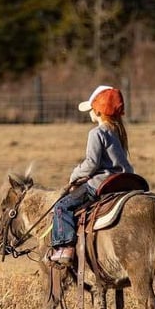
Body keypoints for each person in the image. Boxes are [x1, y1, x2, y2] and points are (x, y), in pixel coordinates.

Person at [50, 85, 134, 265]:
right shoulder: (118, 131)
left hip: (102, 183)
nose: (89, 113)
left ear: (97, 110)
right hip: (124, 180)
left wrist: (74, 175)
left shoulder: (96, 133)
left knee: (61, 206)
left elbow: (91, 164)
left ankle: (65, 247)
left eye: (90, 109)